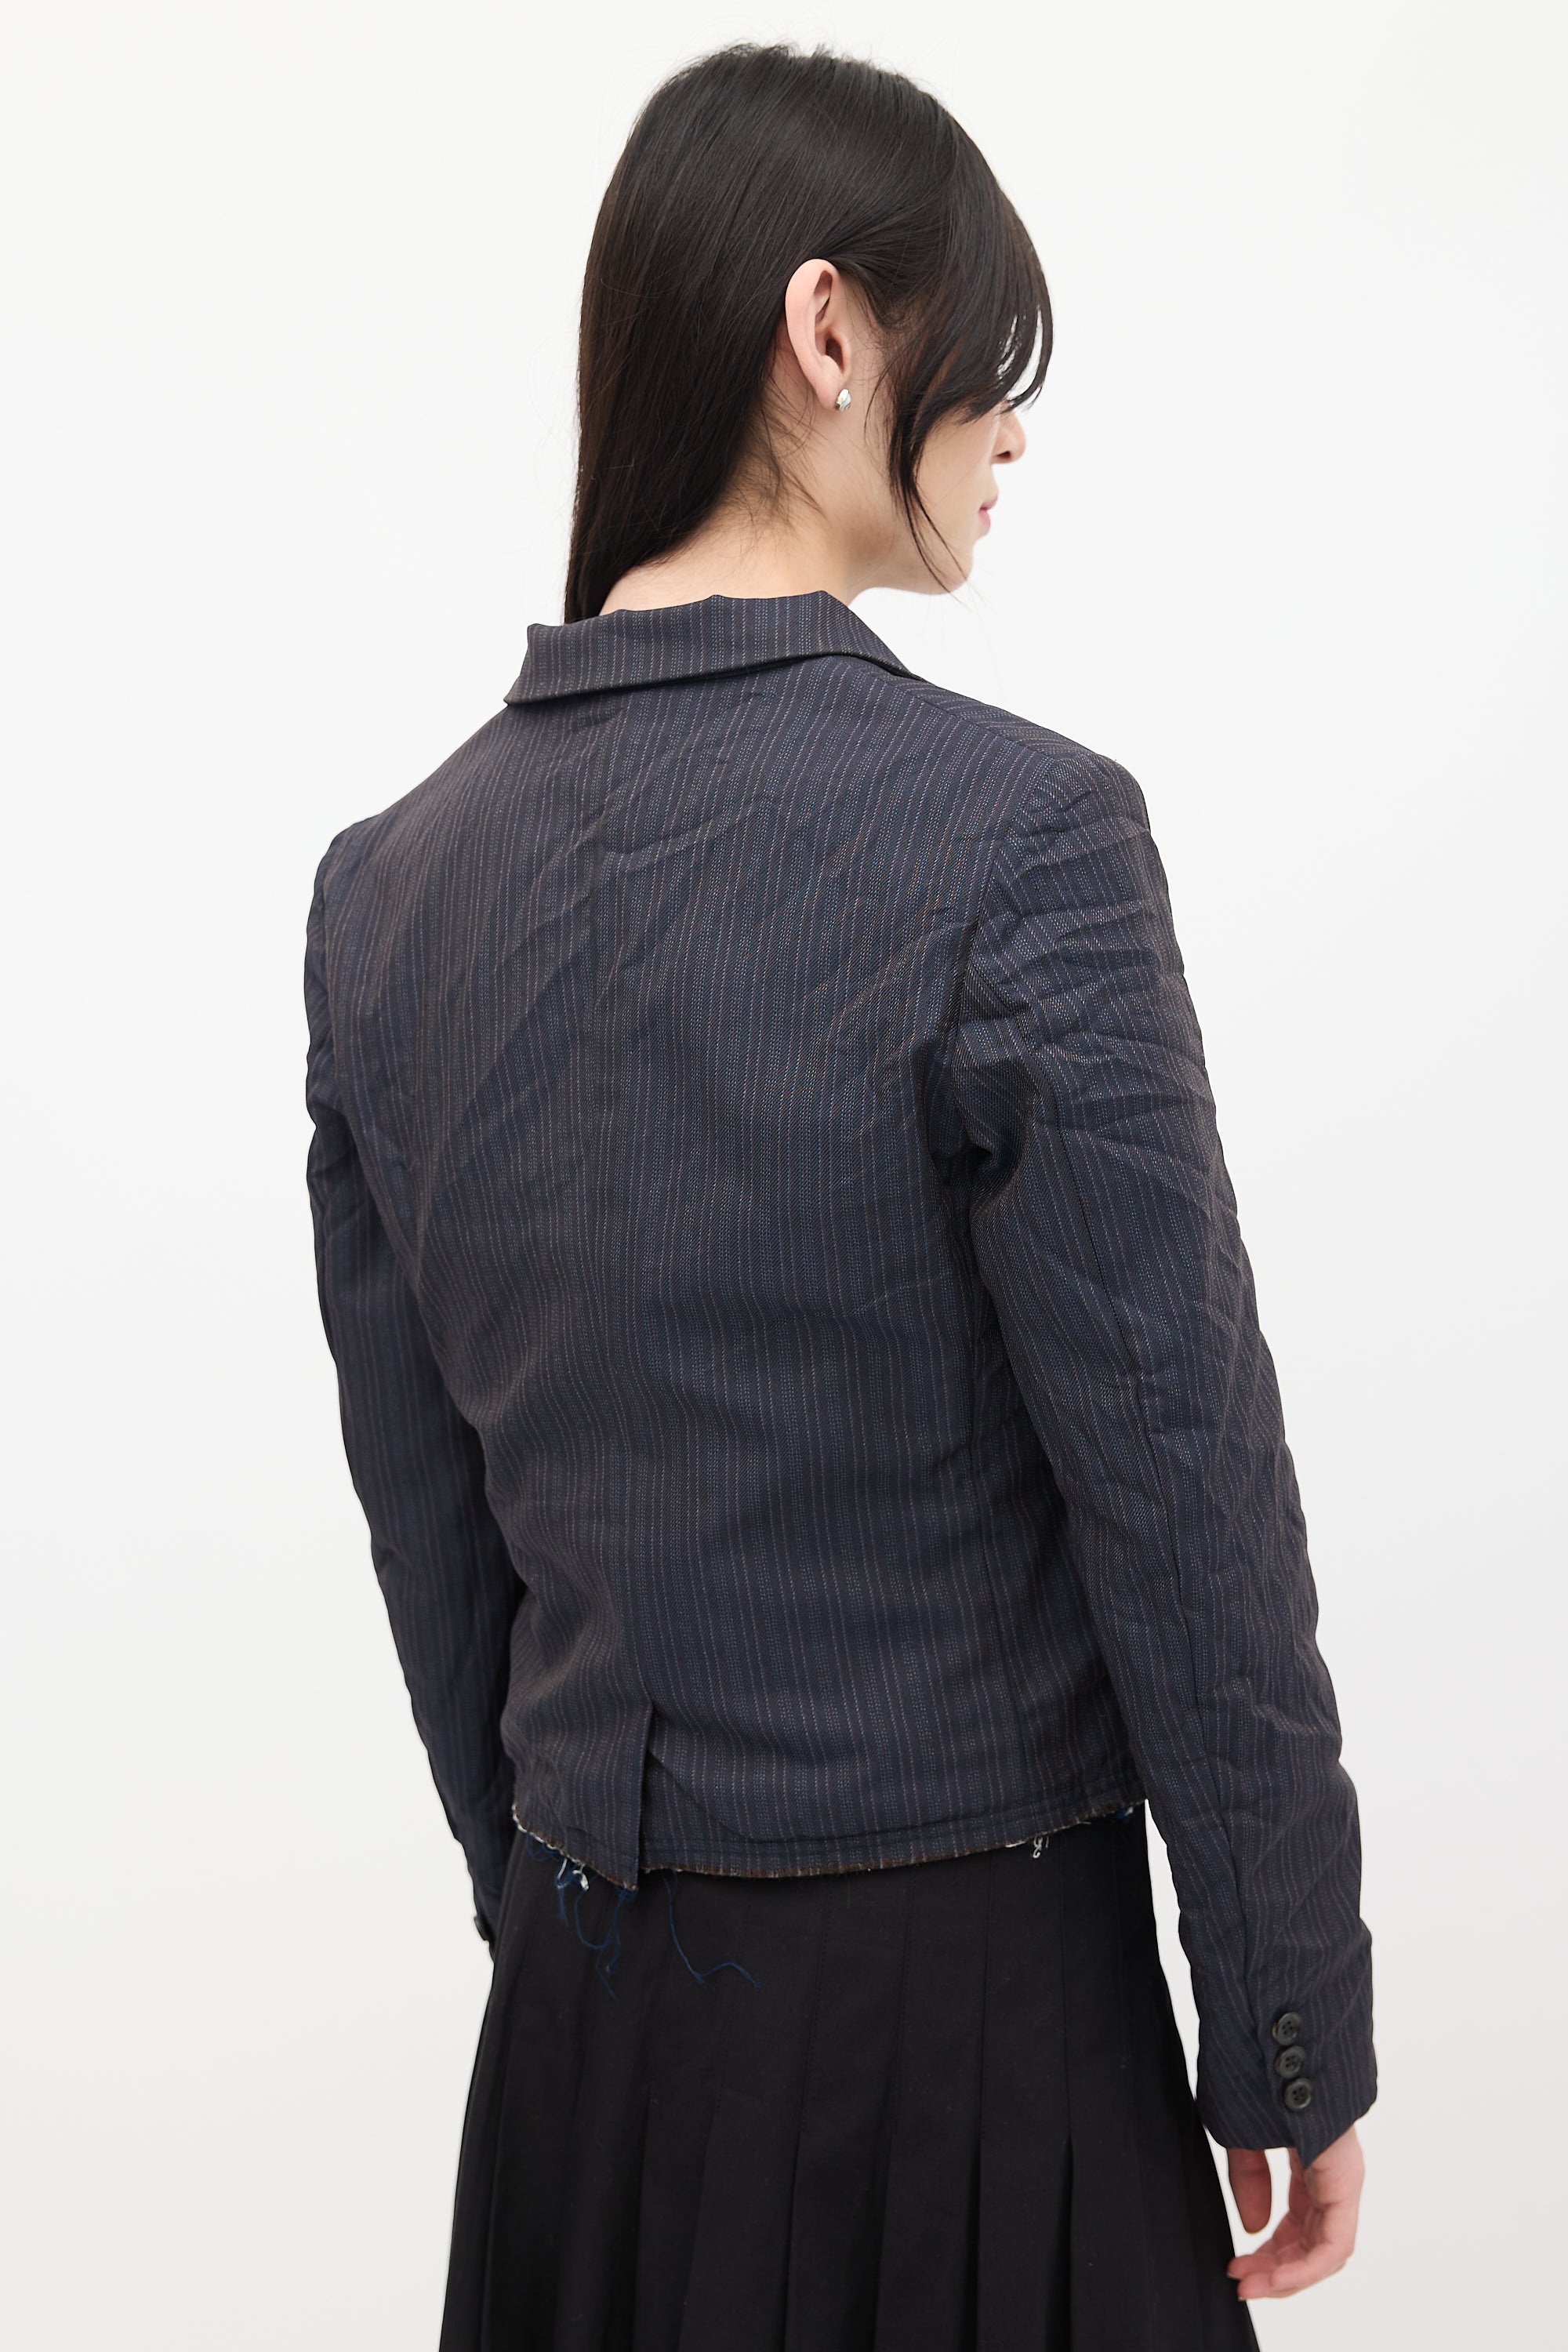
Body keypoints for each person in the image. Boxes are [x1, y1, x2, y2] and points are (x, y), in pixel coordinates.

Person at [303, 41, 1374, 2352]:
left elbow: (436, 1542)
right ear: (831, 330)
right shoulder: (1021, 841)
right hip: (974, 2041)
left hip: (586, 2051)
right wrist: (1287, 2017)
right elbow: (1181, 1487)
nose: (1014, 431)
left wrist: (568, 1912)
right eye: (993, 357)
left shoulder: (389, 895)